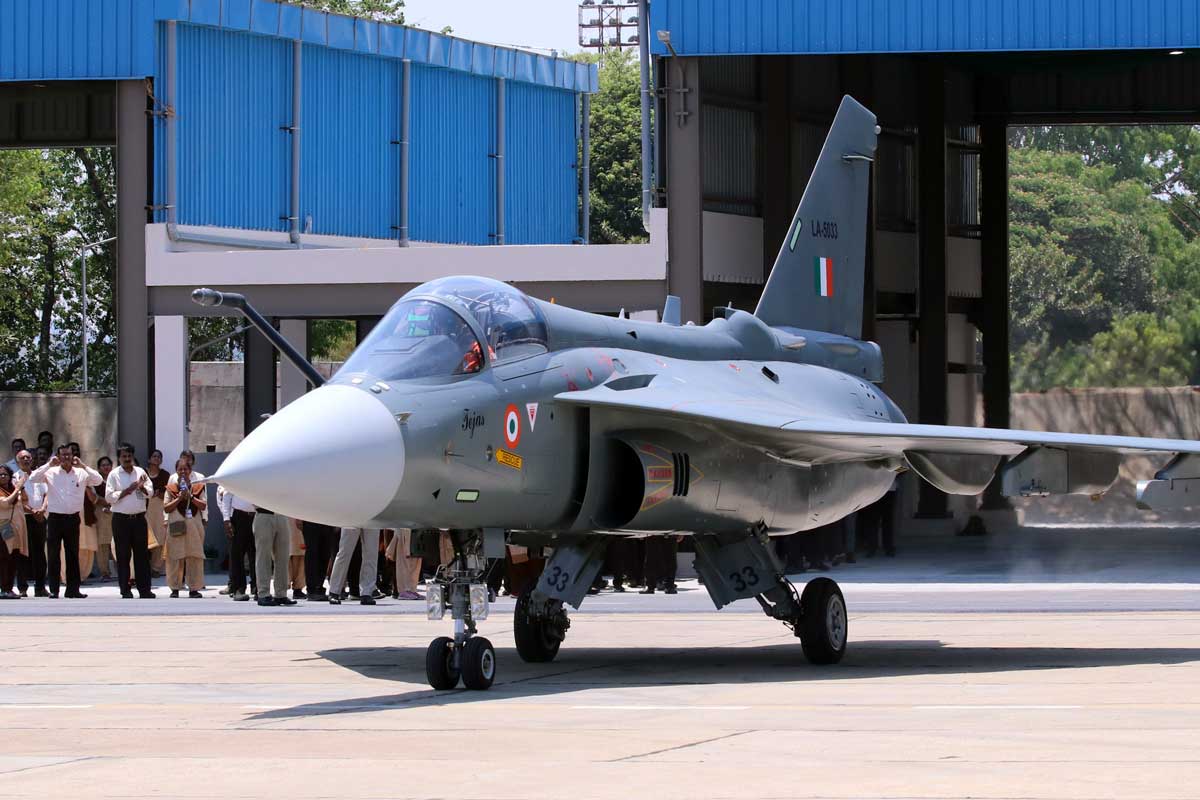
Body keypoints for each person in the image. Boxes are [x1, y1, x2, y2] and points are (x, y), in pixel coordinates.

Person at [28, 444, 104, 598]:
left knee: (72, 554)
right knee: (54, 555)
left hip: (73, 518)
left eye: (68, 454)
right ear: (58, 456)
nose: (66, 458)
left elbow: (98, 480)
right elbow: (33, 478)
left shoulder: (81, 473)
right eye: (63, 455)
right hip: (55, 518)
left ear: (73, 455)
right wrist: (49, 464)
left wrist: (83, 465)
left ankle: (73, 589)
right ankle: (54, 590)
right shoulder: (51, 471)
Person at [106, 443, 155, 599]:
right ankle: (125, 589)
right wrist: (127, 491)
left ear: (133, 457)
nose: (127, 459)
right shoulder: (114, 475)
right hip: (121, 520)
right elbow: (109, 497)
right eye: (124, 456)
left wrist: (140, 488)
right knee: (123, 555)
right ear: (119, 458)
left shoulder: (140, 472)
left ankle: (144, 590)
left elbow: (150, 493)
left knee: (142, 555)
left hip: (139, 519)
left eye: (129, 456)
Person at [163, 459, 206, 598]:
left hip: (194, 526)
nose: (183, 472)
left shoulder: (198, 487)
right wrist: (179, 498)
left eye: (185, 469)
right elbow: (166, 507)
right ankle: (174, 588)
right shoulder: (171, 488)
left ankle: (194, 588)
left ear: (190, 470)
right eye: (180, 469)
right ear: (176, 471)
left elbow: (203, 506)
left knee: (194, 557)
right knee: (174, 557)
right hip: (177, 524)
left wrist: (191, 497)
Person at [13, 449, 47, 597]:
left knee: (40, 553)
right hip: (24, 517)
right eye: (23, 458)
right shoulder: (15, 477)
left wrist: (42, 509)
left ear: (32, 459)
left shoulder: (38, 476)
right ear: (17, 461)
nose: (26, 460)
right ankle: (22, 587)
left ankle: (40, 587)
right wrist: (33, 511)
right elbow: (17, 498)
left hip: (39, 516)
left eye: (28, 457)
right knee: (22, 554)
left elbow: (46, 494)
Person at [217, 484, 256, 601]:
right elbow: (227, 498)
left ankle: (258, 588)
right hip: (239, 517)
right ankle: (239, 589)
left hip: (256, 516)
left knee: (257, 554)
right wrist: (226, 519)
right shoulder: (237, 474)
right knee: (237, 554)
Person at [252, 506, 296, 607]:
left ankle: (281, 594)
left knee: (283, 557)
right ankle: (263, 594)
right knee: (263, 557)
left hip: (282, 515)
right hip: (264, 514)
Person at [79, 456, 113, 582]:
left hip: (117, 512)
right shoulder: (95, 481)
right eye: (103, 465)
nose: (106, 467)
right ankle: (105, 572)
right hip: (101, 513)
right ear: (99, 468)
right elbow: (94, 497)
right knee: (102, 544)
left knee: (117, 543)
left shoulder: (116, 478)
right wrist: (106, 502)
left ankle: (124, 572)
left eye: (108, 464)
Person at [328, 527, 380, 605]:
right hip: (352, 516)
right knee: (344, 552)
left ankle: (367, 592)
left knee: (371, 554)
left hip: (372, 517)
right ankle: (334, 591)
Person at [0, 465, 30, 599]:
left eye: (5, 474)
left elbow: (25, 499)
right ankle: (4, 588)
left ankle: (9, 588)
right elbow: (6, 503)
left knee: (14, 558)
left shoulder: (12, 488)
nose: (3, 477)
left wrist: (21, 487)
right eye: (0, 475)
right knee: (5, 558)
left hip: (17, 529)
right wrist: (17, 488)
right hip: (4, 528)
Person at [300, 521, 338, 601]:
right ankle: (311, 590)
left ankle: (319, 586)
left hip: (327, 521)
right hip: (310, 519)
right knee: (312, 554)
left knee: (325, 553)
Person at [145, 449, 169, 575]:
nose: (156, 458)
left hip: (159, 509)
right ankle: (144, 567)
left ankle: (156, 568)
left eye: (159, 457)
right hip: (145, 509)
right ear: (149, 459)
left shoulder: (165, 475)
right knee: (145, 538)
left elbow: (170, 493)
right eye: (154, 456)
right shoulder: (142, 474)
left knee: (160, 537)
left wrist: (161, 495)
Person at [386, 527, 423, 600]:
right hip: (403, 526)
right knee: (404, 559)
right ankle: (403, 590)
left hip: (416, 525)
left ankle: (412, 589)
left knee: (416, 558)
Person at [288, 518, 306, 600]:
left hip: (299, 517)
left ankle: (298, 588)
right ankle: (283, 586)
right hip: (284, 518)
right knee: (284, 556)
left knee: (301, 555)